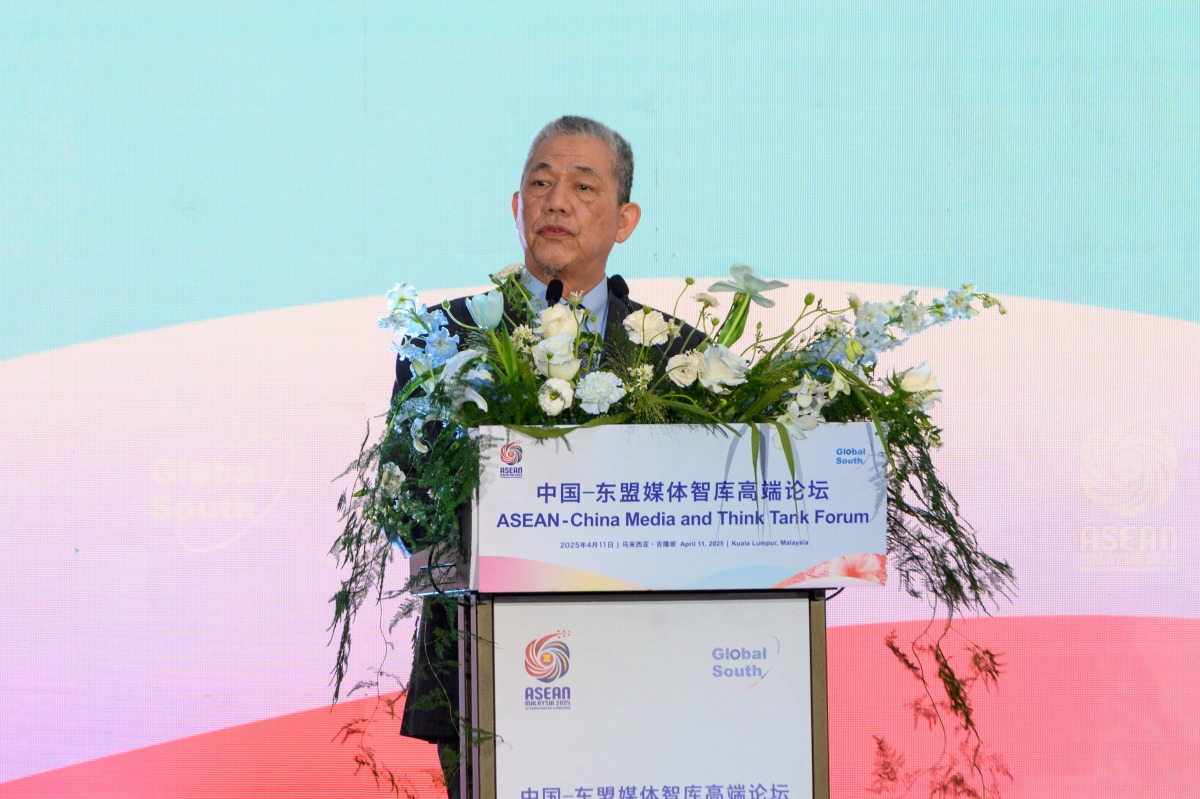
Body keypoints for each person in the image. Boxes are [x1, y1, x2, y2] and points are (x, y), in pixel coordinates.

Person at [394, 115, 701, 792]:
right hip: (486, 675)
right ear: (517, 207)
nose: (556, 201)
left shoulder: (679, 355)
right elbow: (405, 507)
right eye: (540, 183)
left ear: (625, 220)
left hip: (641, 672)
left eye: (582, 187)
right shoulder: (443, 339)